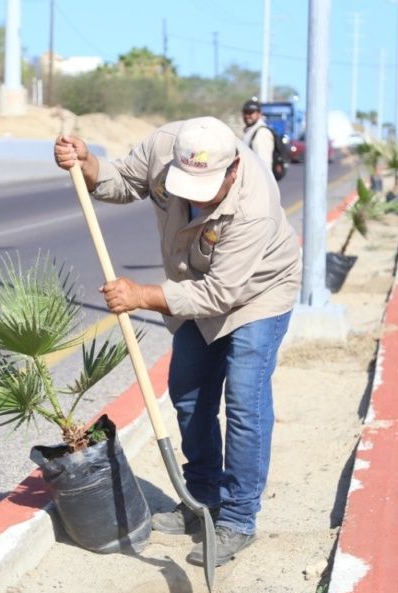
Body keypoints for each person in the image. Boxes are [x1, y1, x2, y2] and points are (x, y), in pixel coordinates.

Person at [53, 117, 300, 567]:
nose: (191, 197)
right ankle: (201, 498)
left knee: (244, 398)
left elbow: (220, 295)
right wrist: (87, 165)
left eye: (205, 187)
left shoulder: (254, 206)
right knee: (188, 394)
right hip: (191, 284)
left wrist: (142, 296)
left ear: (233, 168)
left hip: (257, 294)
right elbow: (122, 182)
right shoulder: (166, 146)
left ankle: (239, 519)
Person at [240, 100, 274, 170]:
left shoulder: (262, 132)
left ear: (259, 114)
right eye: (245, 112)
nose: (247, 116)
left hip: (257, 179)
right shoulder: (251, 131)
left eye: (251, 113)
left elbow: (264, 164)